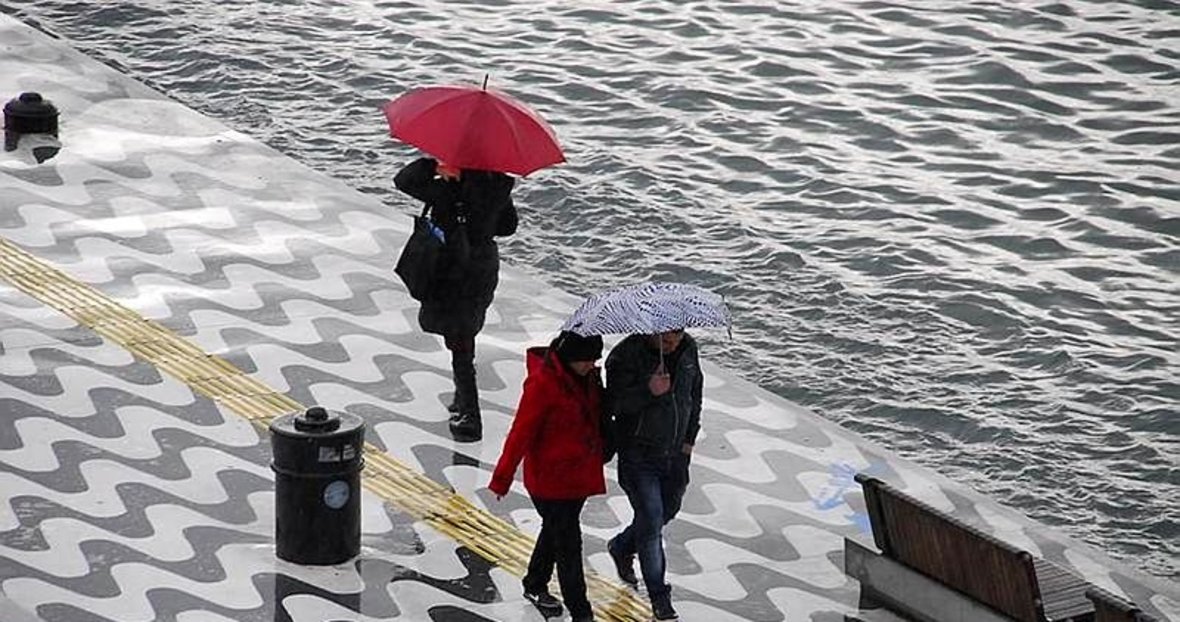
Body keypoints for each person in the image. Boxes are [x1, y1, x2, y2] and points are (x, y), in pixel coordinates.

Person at [394, 156, 518, 442]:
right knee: (463, 332)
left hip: (451, 265)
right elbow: (508, 226)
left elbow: (403, 181)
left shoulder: (448, 189)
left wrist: (434, 168)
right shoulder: (497, 183)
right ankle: (462, 398)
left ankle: (470, 415)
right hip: (482, 267)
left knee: (458, 338)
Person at [489, 331, 607, 622]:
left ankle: (534, 583)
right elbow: (520, 433)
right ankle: (581, 611)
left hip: (578, 476)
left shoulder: (590, 378)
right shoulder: (542, 385)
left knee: (555, 532)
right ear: (569, 358)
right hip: (549, 480)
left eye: (594, 359)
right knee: (568, 543)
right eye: (586, 360)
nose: (590, 365)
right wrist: (502, 477)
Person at [604, 329, 702, 622]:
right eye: (666, 336)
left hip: (675, 454)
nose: (672, 342)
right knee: (651, 522)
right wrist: (649, 391)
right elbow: (614, 405)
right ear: (650, 329)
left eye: (678, 334)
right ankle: (659, 596)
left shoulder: (687, 350)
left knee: (667, 510)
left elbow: (694, 396)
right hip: (639, 454)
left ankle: (621, 546)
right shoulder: (625, 355)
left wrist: (688, 443)